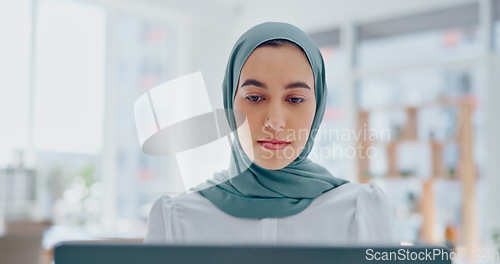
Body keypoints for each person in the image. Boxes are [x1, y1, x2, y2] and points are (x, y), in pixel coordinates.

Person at [144, 22, 398, 245]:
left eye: (296, 99)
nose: (274, 122)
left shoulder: (359, 210)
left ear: (318, 108)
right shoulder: (175, 218)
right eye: (254, 97)